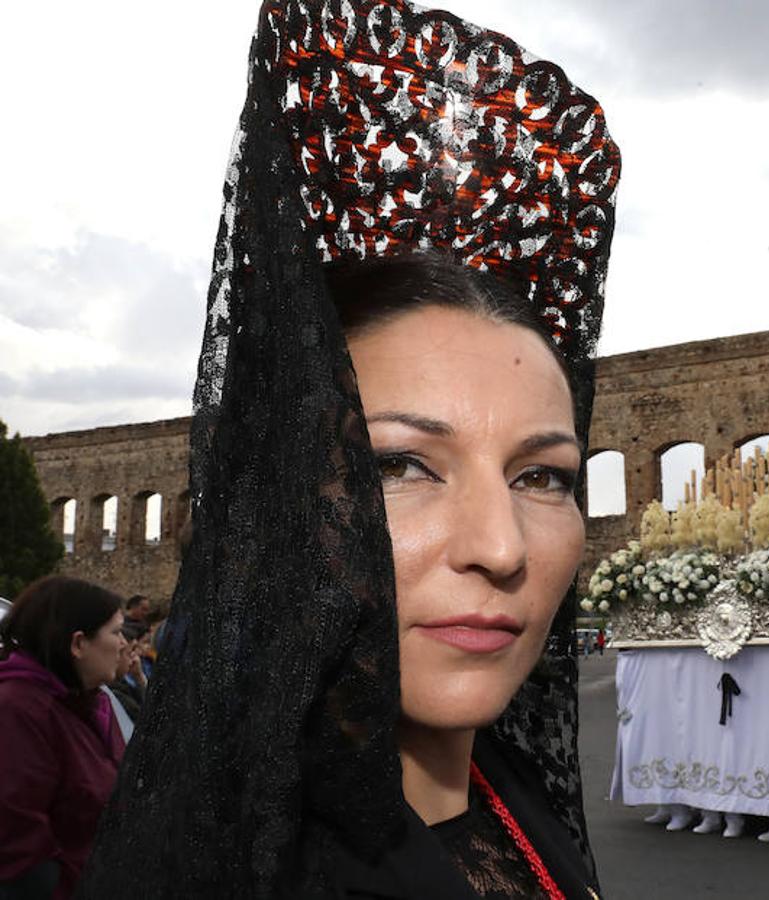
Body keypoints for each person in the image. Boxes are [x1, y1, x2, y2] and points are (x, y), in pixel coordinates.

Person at [78, 2, 621, 897]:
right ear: (271, 501)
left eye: (542, 475)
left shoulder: (509, 797)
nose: (502, 546)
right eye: (399, 465)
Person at [0, 576, 127, 899]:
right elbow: (18, 849)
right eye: (115, 632)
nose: (125, 643)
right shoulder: (18, 711)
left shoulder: (93, 706)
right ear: (78, 644)